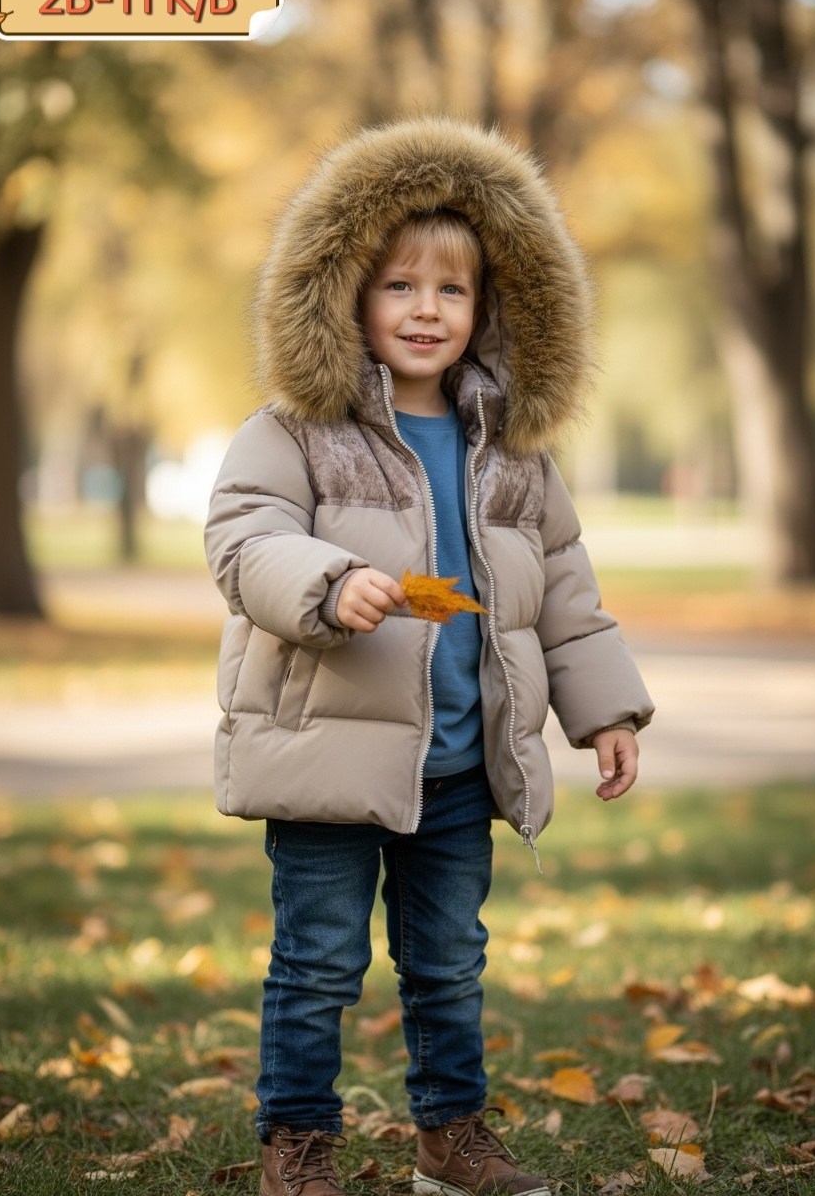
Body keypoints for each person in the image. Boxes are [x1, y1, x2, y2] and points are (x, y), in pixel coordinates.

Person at [205, 117, 654, 1196]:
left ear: (491, 307)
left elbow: (564, 592)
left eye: (452, 290)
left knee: (449, 964)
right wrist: (325, 581)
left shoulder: (515, 451)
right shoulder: (297, 429)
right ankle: (296, 1142)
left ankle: (451, 1138)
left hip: (457, 767)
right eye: (399, 285)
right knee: (317, 963)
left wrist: (603, 711)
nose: (425, 309)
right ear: (347, 295)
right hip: (329, 760)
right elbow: (244, 540)